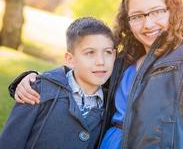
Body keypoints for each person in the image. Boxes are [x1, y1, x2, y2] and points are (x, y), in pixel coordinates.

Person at [8, 0, 183, 148]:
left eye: (157, 12)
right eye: (137, 16)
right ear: (127, 21)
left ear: (173, 11)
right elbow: (83, 74)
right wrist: (32, 80)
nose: (147, 24)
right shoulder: (123, 58)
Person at [0, 17, 116, 149]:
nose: (101, 61)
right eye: (90, 53)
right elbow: (10, 141)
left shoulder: (111, 105)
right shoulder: (37, 91)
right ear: (70, 59)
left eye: (107, 52)